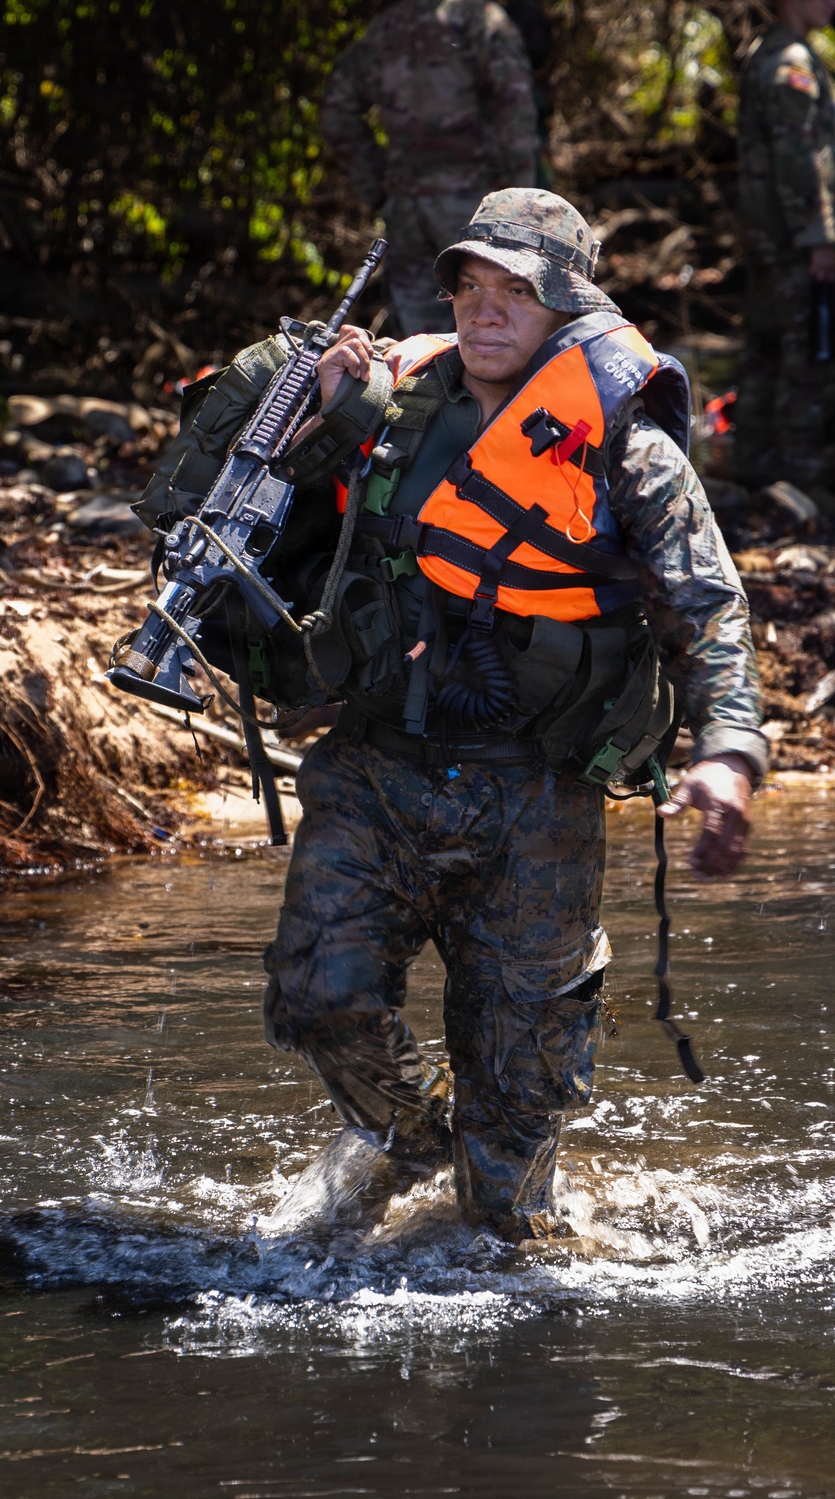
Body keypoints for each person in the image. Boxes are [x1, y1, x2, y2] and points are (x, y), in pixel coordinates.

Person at [142, 189, 768, 1243]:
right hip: (377, 762)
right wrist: (292, 417)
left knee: (511, 1155)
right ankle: (404, 1138)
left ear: (566, 306)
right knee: (320, 995)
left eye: (514, 291)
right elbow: (238, 518)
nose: (483, 310)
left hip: (539, 794)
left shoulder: (619, 440)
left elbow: (705, 601)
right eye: (468, 286)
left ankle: (491, 1208)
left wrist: (728, 750)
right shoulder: (382, 402)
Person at [320, 0, 540, 336]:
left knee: (419, 336)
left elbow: (336, 109)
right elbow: (516, 108)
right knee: (489, 326)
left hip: (408, 207)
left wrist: (377, 185)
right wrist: (520, 201)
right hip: (474, 205)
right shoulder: (480, 20)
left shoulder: (386, 28)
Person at [735, 0, 835, 501]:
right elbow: (798, 158)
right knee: (807, 355)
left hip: (767, 232)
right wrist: (818, 237)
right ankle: (803, 479)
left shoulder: (764, 51)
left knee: (766, 345)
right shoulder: (790, 62)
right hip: (792, 239)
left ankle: (750, 466)